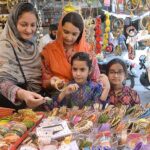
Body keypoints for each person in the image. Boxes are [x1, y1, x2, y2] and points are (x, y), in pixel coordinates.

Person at [41, 12, 110, 98]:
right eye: (66, 32)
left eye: (74, 34)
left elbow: (96, 79)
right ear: (60, 29)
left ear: (80, 34)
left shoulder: (88, 51)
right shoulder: (48, 51)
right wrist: (52, 82)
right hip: (57, 101)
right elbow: (44, 81)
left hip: (84, 101)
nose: (69, 38)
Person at [0, 2, 45, 109]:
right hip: (13, 113)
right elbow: (2, 82)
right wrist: (22, 94)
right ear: (13, 23)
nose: (29, 30)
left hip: (34, 109)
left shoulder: (32, 45)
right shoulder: (5, 46)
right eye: (23, 24)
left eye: (33, 25)